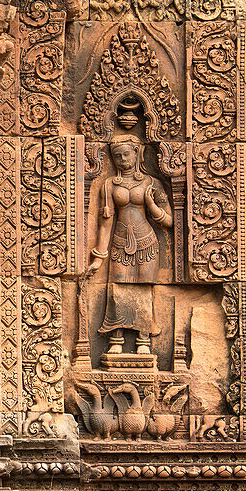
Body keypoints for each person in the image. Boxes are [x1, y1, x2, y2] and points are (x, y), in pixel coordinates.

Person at [86, 133, 172, 355]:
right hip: (120, 242)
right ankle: (116, 338)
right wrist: (98, 257)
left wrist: (152, 205)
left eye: (126, 154)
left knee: (144, 289)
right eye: (117, 156)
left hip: (147, 242)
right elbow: (105, 223)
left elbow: (170, 220)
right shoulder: (109, 185)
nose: (122, 159)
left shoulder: (152, 183)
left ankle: (143, 340)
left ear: (137, 154)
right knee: (118, 288)